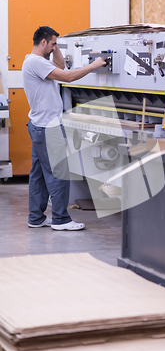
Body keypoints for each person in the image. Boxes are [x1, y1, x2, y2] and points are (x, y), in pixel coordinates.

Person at [23, 26, 106, 230]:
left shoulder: (36, 61)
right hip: (48, 127)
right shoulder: (36, 62)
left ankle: (36, 217)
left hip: (39, 125)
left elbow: (60, 65)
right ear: (43, 42)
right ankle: (61, 220)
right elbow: (68, 77)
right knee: (59, 173)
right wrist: (94, 65)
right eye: (52, 44)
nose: (54, 48)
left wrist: (55, 46)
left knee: (39, 175)